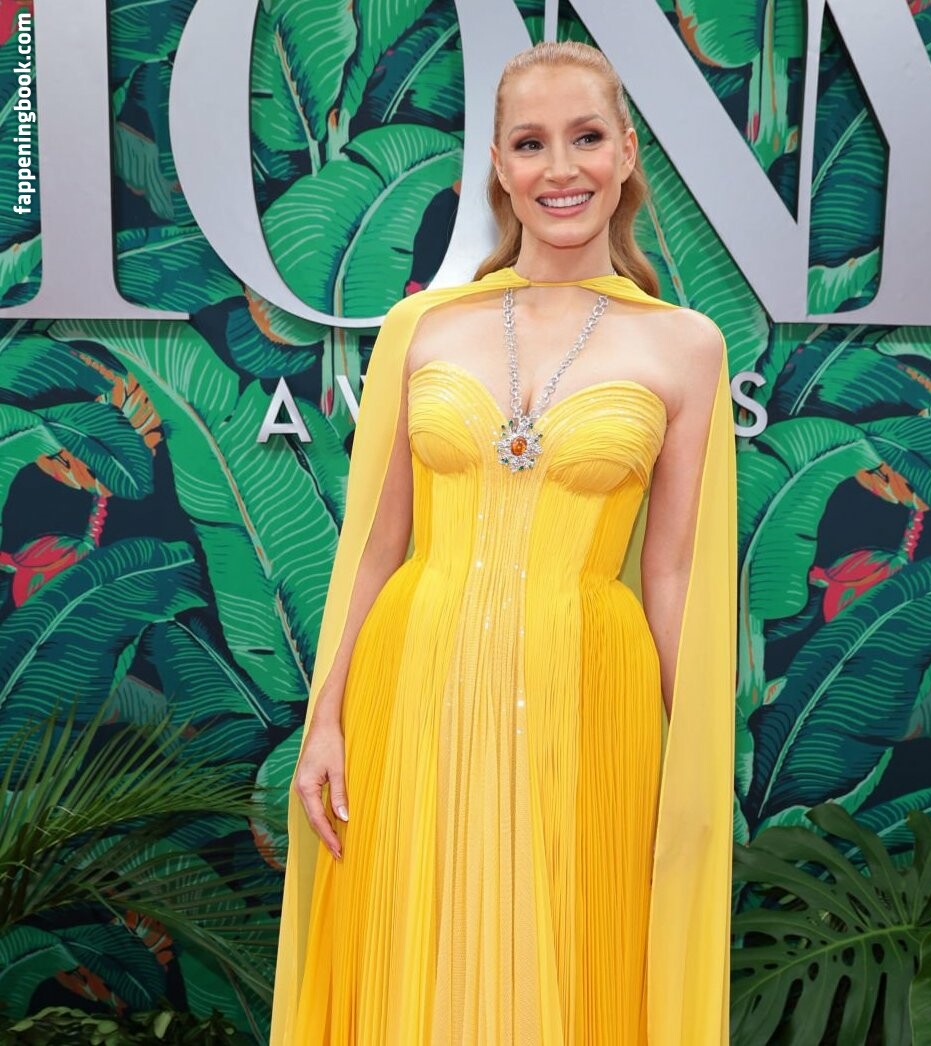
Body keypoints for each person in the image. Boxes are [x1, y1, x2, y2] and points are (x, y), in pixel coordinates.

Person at [269, 40, 737, 1046]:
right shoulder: (420, 326)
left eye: (585, 137)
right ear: (497, 164)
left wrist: (692, 759)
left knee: (568, 965)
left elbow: (671, 572)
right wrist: (326, 720)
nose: (559, 168)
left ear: (625, 154)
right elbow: (373, 547)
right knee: (412, 966)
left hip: (592, 696)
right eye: (530, 143)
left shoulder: (687, 344)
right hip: (412, 685)